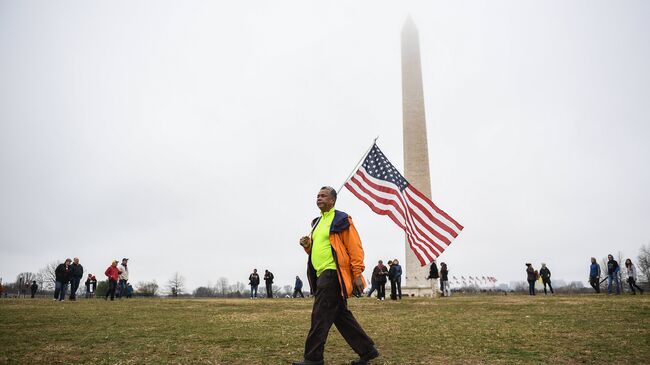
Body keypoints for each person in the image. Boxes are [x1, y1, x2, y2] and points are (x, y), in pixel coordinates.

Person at [292, 186, 378, 365]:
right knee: (341, 316)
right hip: (320, 273)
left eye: (323, 196)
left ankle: (313, 358)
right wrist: (307, 245)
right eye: (317, 196)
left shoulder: (341, 219)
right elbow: (318, 250)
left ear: (332, 200)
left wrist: (357, 273)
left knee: (320, 315)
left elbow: (355, 247)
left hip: (332, 274)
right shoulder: (316, 222)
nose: (319, 198)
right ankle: (367, 350)